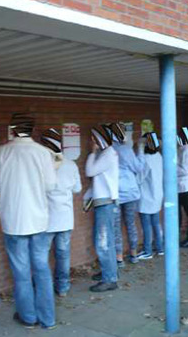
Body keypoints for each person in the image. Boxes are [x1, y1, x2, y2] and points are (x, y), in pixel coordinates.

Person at [0, 113, 57, 329]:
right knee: (42, 269)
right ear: (32, 129)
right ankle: (48, 319)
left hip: (13, 221)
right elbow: (50, 186)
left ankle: (28, 318)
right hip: (38, 221)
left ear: (13, 129)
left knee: (21, 273)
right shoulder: (43, 153)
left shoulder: (2, 152)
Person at [40, 128, 82, 297]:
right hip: (65, 218)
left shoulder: (42, 166)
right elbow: (77, 188)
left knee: (42, 256)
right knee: (63, 255)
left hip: (46, 219)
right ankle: (62, 287)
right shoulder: (71, 164)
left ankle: (44, 289)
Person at [85, 125, 119, 292]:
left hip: (105, 204)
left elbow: (90, 171)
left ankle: (110, 279)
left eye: (93, 138)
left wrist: (92, 152)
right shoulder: (108, 153)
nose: (91, 141)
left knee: (103, 242)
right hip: (106, 203)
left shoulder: (107, 155)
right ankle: (109, 272)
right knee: (107, 241)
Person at [111, 122, 145, 265]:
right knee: (131, 224)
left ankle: (119, 258)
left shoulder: (107, 149)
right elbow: (138, 168)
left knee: (116, 226)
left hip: (115, 193)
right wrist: (141, 151)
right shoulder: (126, 149)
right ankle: (134, 254)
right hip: (130, 192)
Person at [137, 132, 164, 260]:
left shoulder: (146, 159)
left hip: (146, 196)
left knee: (146, 225)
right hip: (158, 194)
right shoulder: (159, 156)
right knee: (156, 223)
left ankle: (147, 251)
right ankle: (160, 248)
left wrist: (139, 149)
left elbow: (139, 178)